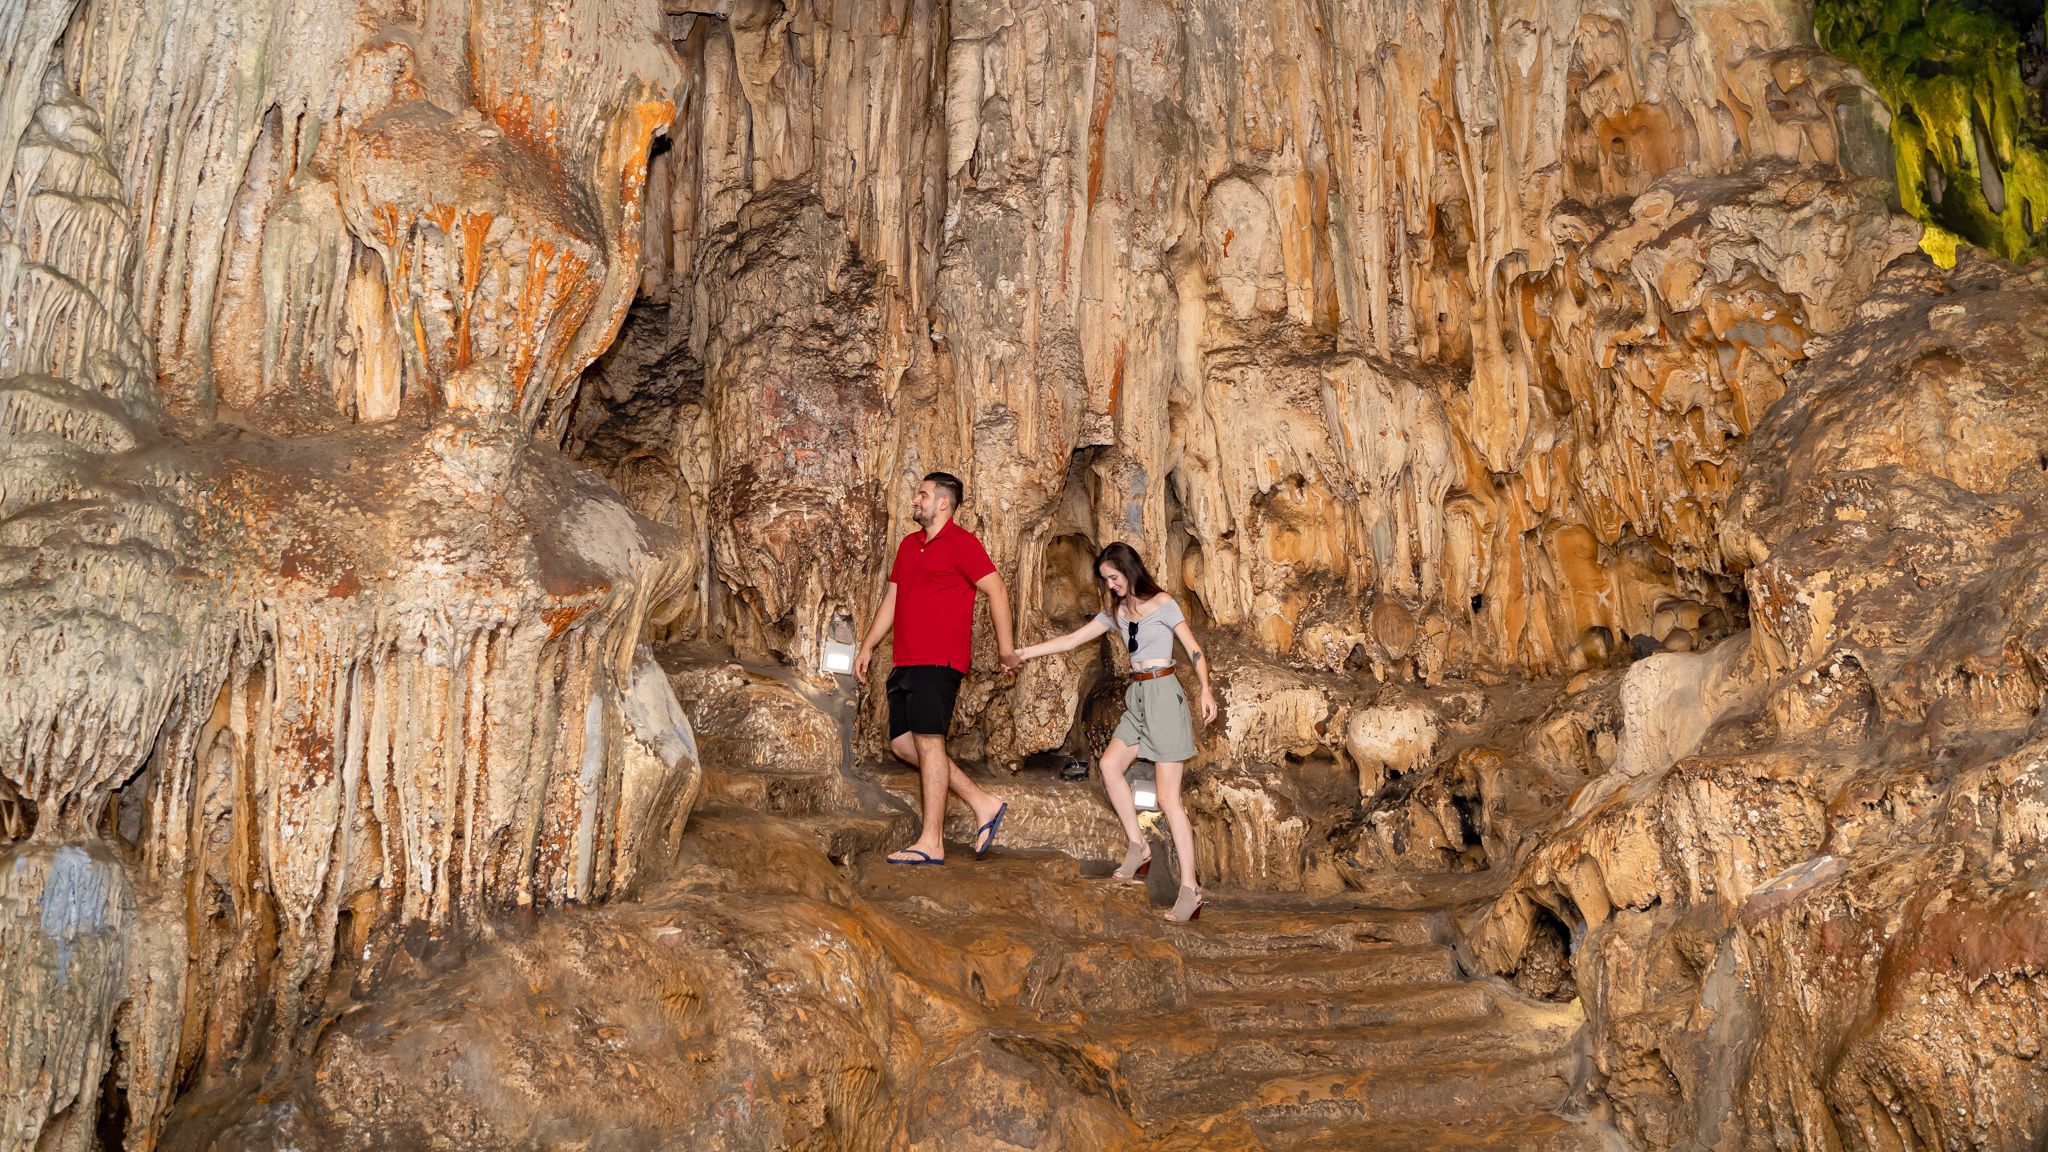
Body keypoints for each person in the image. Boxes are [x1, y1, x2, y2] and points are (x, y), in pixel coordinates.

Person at [1014, 542, 1216, 921]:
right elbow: (1073, 639)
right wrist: (1024, 653)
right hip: (1137, 695)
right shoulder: (1117, 612)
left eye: (1114, 577)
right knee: (1109, 767)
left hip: (1164, 692)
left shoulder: (1163, 603)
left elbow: (1193, 649)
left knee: (1169, 801)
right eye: (1106, 580)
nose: (1111, 585)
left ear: (1129, 570)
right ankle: (1137, 846)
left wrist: (1205, 689)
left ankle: (1190, 889)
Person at [855, 471, 1015, 865]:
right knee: (902, 744)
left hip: (938, 660)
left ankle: (932, 842)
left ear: (943, 502)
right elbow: (893, 597)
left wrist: (1006, 647)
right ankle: (983, 802)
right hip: (905, 660)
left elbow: (996, 589)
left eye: (922, 495)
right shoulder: (910, 546)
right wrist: (868, 644)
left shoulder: (962, 544)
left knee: (929, 743)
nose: (916, 500)